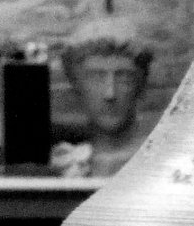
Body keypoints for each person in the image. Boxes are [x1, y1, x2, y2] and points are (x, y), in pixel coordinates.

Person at [60, 18, 153, 176]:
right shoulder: (63, 160)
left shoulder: (158, 161)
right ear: (76, 86)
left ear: (141, 85)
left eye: (124, 78)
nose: (110, 94)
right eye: (96, 78)